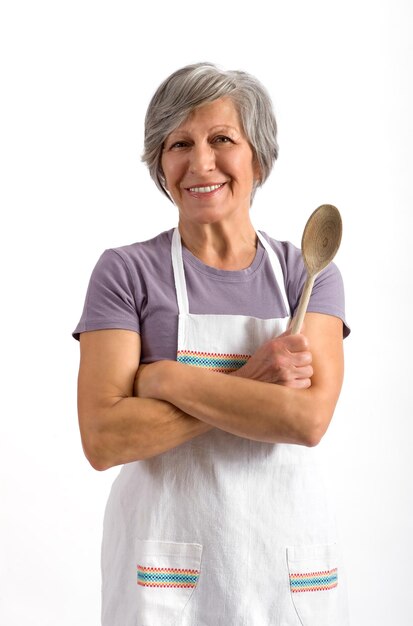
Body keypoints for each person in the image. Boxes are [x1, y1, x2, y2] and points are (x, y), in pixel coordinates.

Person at [73, 62, 350, 625]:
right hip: (167, 567)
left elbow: (306, 421)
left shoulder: (308, 275)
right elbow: (104, 439)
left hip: (286, 562)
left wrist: (166, 379)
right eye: (179, 144)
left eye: (222, 139)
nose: (200, 163)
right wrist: (253, 380)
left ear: (259, 157)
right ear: (160, 164)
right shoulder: (125, 273)